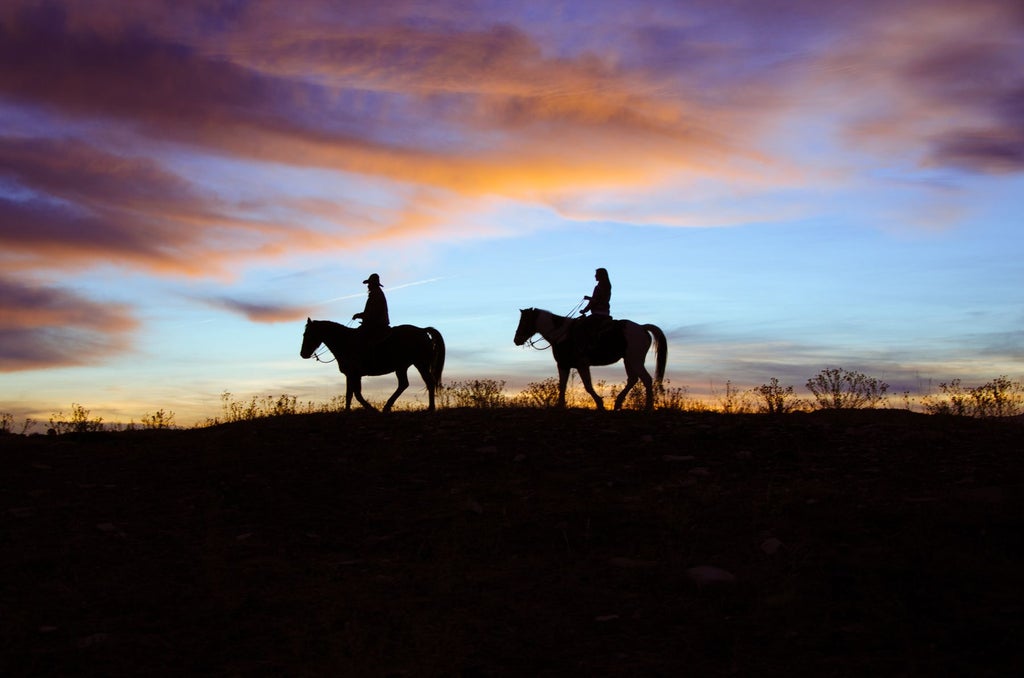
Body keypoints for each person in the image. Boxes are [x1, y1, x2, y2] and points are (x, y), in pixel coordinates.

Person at [576, 268, 613, 357]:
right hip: (604, 312)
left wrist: (586, 307)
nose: (595, 276)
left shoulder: (599, 287)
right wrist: (586, 307)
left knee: (582, 326)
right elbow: (596, 300)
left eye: (596, 274)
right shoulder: (606, 285)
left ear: (600, 275)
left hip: (599, 313)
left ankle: (589, 345)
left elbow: (596, 301)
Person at [352, 273, 390, 343]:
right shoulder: (376, 293)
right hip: (378, 323)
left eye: (370, 284)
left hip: (377, 324)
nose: (368, 286)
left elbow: (372, 313)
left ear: (373, 284)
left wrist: (360, 316)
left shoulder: (375, 294)